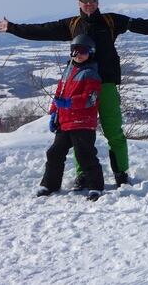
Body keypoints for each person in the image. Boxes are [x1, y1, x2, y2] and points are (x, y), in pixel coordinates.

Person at [0, 0, 148, 187]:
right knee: (81, 133)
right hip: (79, 85)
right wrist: (12, 28)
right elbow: (40, 30)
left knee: (114, 132)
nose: (88, 3)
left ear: (98, 1)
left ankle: (121, 173)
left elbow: (139, 25)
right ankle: (84, 176)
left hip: (105, 84)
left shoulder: (111, 20)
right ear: (78, 3)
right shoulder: (72, 24)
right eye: (84, 0)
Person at [37, 35, 104, 201]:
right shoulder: (69, 70)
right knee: (54, 153)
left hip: (82, 123)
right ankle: (50, 184)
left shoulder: (91, 74)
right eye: (75, 51)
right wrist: (54, 112)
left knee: (84, 154)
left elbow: (91, 99)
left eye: (83, 51)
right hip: (65, 121)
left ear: (91, 53)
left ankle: (95, 186)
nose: (78, 54)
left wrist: (69, 103)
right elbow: (59, 93)